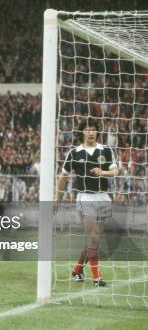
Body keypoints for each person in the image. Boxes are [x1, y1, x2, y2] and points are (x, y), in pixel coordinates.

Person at [56, 118, 118, 287]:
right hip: (85, 197)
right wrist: (57, 199)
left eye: (93, 129)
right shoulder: (74, 153)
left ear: (97, 132)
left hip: (103, 197)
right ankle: (97, 277)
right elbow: (63, 177)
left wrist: (102, 172)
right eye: (87, 129)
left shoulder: (106, 150)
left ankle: (77, 269)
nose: (91, 132)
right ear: (82, 132)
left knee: (94, 239)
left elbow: (115, 171)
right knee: (92, 236)